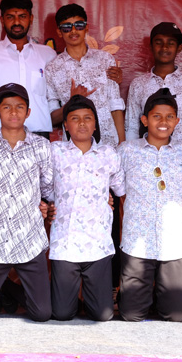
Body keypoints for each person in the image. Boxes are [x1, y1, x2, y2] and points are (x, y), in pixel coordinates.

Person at [0, 83, 53, 322]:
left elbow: (48, 186)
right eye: (6, 107)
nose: (13, 112)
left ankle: (13, 293)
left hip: (29, 237)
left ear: (28, 112)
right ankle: (4, 288)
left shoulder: (41, 145)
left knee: (42, 314)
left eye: (19, 107)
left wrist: (44, 203)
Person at [117, 88, 182, 322]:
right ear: (144, 120)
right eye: (156, 116)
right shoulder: (127, 151)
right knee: (131, 314)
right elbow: (111, 185)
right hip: (137, 242)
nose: (163, 122)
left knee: (176, 314)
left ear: (177, 121)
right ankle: (138, 296)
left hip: (174, 243)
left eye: (169, 116)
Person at [45, 95, 124, 322]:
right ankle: (70, 301)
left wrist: (106, 197)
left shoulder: (108, 154)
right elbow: (44, 186)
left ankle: (90, 300)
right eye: (75, 118)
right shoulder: (55, 152)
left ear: (95, 124)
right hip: (65, 243)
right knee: (61, 314)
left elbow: (120, 189)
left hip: (97, 243)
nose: (81, 123)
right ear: (66, 125)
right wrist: (50, 204)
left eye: (87, 118)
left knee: (103, 314)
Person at [46, 3, 125, 147]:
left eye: (79, 25)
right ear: (59, 32)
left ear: (86, 28)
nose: (73, 31)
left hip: (109, 144)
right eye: (67, 27)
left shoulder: (105, 59)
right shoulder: (52, 68)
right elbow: (52, 118)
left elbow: (115, 106)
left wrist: (121, 144)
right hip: (74, 149)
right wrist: (72, 102)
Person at [0, 0, 56, 137]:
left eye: (22, 16)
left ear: (31, 18)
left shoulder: (48, 54)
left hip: (39, 132)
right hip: (0, 133)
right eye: (10, 17)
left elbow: (53, 97)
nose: (16, 22)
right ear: (2, 20)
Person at [125, 22, 182, 151]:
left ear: (179, 48)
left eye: (171, 43)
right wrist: (131, 152)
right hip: (151, 153)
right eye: (159, 42)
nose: (164, 47)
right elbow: (132, 126)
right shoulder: (138, 84)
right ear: (151, 46)